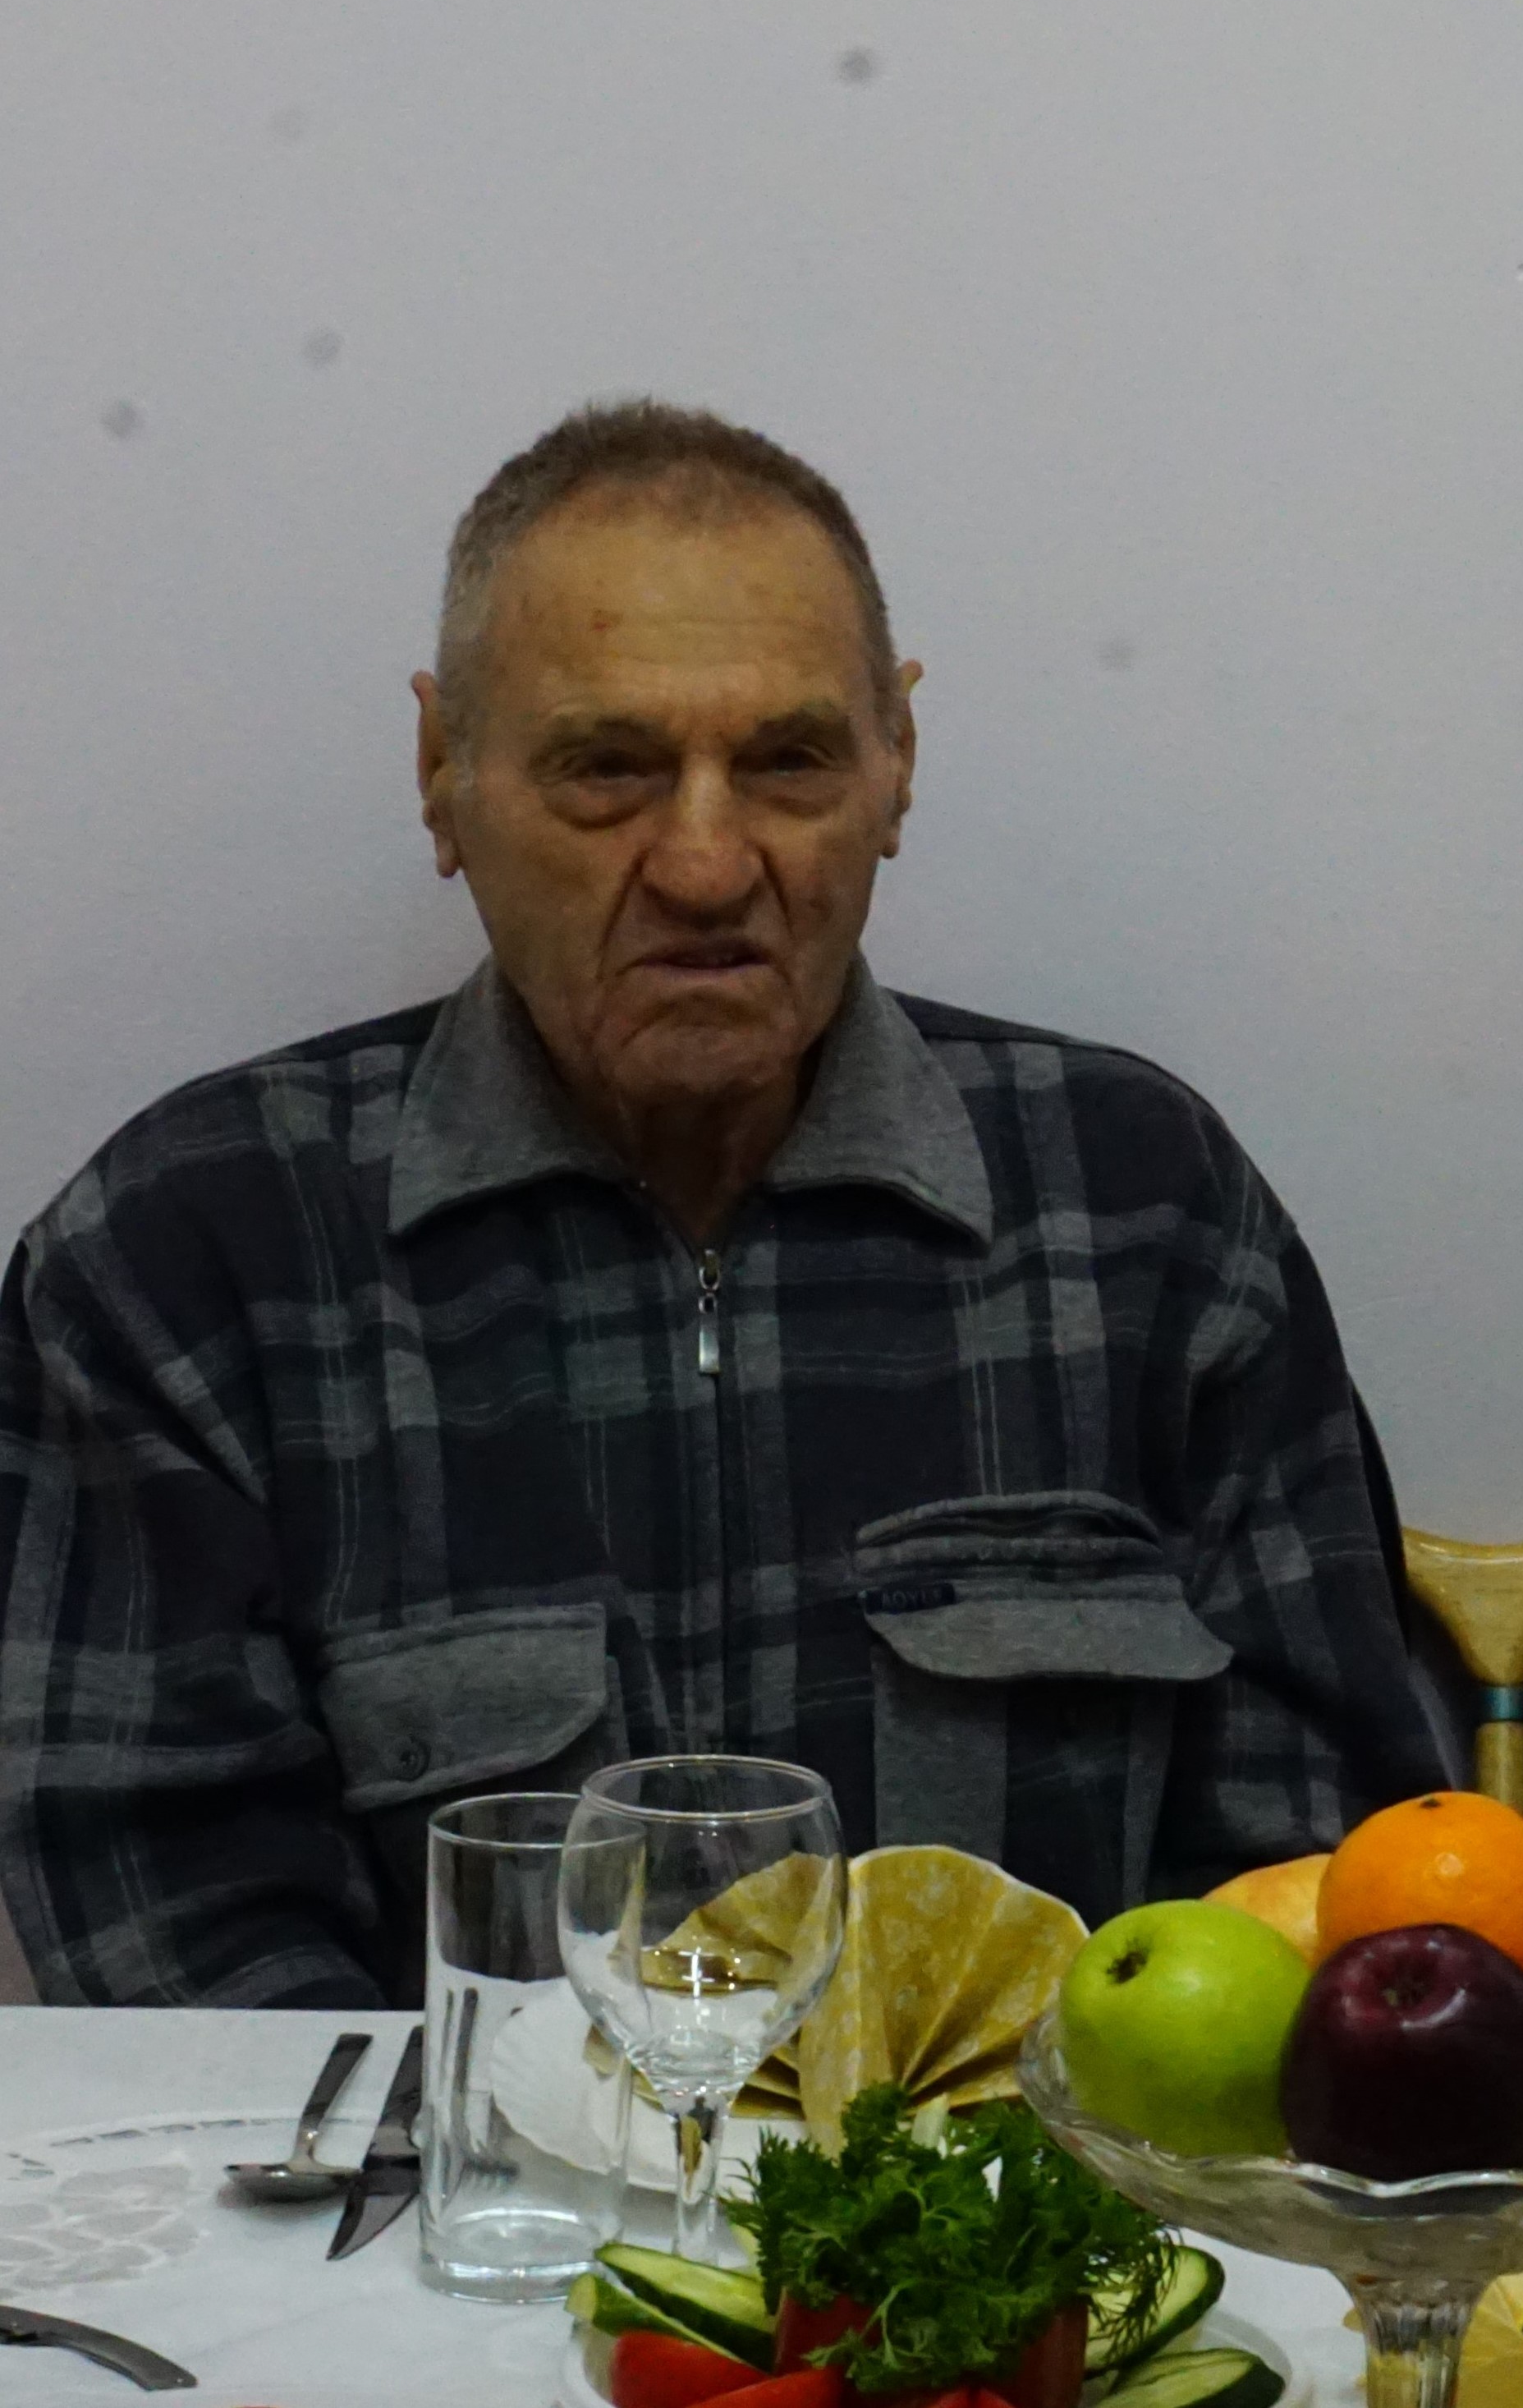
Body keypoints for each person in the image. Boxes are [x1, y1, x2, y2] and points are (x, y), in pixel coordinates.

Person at [0, 402, 1445, 2005]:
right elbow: (179, 1955)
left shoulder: (1147, 1215)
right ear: (442, 774)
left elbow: (1322, 1889)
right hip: (441, 2172)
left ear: (896, 765)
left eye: (788, 762)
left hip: (1044, 2168)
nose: (704, 863)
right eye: (608, 769)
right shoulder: (189, 1261)